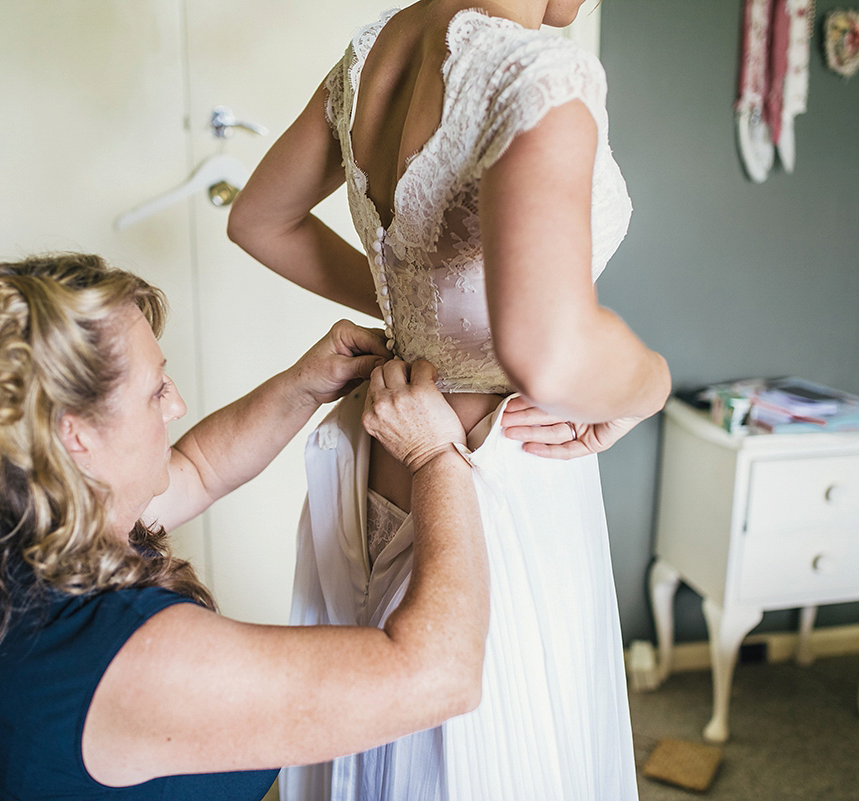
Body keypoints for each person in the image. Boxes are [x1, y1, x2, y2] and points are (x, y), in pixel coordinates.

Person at [227, 0, 672, 798]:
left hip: (383, 454)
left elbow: (260, 220)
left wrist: (425, 307)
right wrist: (651, 383)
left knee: (394, 740)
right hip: (496, 475)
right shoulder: (537, 71)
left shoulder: (372, 56)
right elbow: (553, 353)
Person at [0, 253, 493, 800]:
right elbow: (439, 674)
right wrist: (435, 455)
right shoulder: (133, 660)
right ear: (74, 434)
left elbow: (198, 469)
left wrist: (305, 384)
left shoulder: (8, 541)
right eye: (156, 392)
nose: (176, 405)